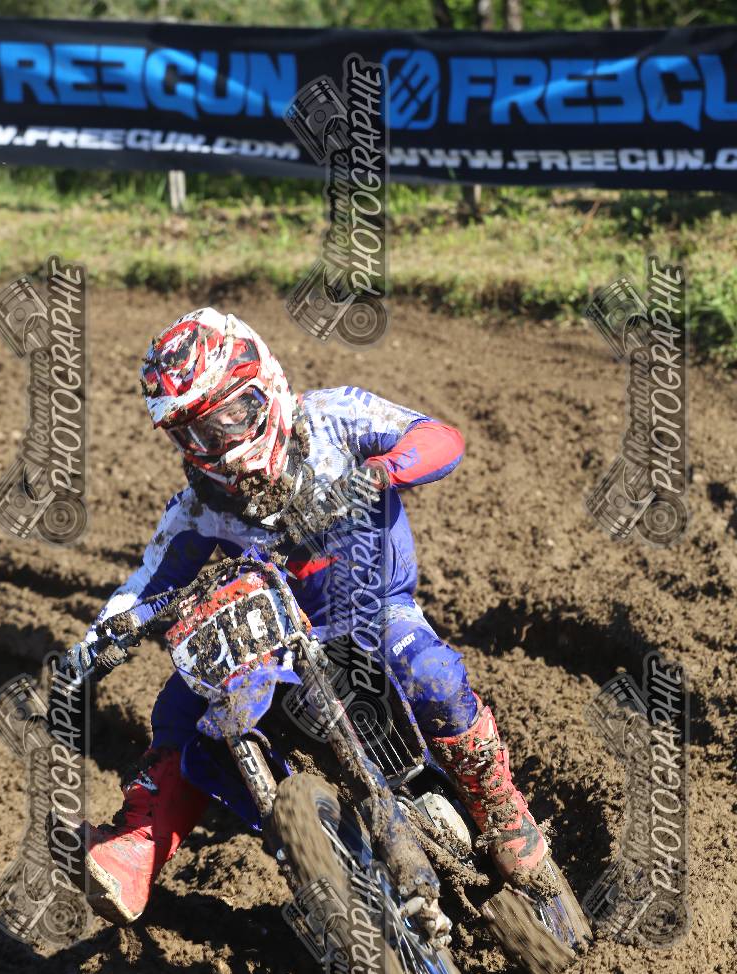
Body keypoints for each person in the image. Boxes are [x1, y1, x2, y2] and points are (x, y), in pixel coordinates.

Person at [61, 308, 548, 927]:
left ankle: (501, 811)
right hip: (277, 643)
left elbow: (439, 438)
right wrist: (96, 645)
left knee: (432, 675)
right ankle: (139, 845)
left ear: (265, 385)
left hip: (373, 612)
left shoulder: (334, 419)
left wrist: (379, 473)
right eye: (197, 434)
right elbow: (146, 583)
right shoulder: (199, 508)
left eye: (231, 416)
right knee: (184, 708)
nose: (221, 443)